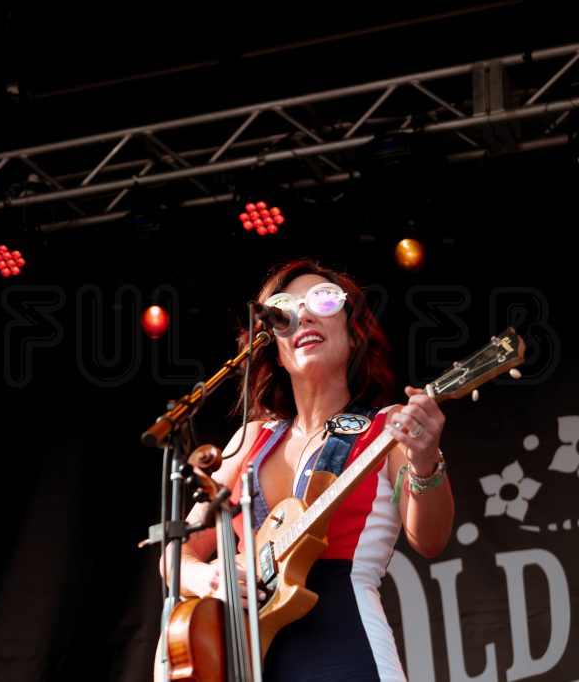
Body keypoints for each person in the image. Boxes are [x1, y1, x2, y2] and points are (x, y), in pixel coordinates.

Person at [171, 257, 453, 681]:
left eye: (324, 301)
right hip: (242, 658)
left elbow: (429, 540)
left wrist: (425, 460)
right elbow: (178, 551)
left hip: (345, 650)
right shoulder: (251, 439)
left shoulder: (388, 426)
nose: (303, 315)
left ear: (354, 334)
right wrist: (209, 580)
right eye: (284, 310)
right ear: (274, 350)